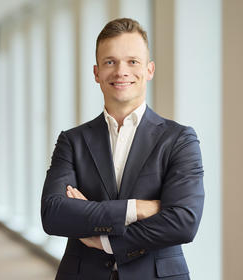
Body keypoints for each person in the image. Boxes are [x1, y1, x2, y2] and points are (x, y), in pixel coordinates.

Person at [41, 18, 204, 280]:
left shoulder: (180, 139)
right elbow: (53, 214)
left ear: (149, 69)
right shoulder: (72, 141)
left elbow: (183, 222)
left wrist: (104, 240)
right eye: (110, 62)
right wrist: (137, 208)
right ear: (96, 73)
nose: (121, 71)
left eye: (133, 61)